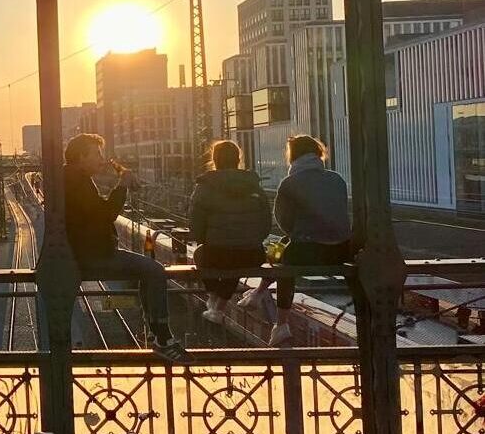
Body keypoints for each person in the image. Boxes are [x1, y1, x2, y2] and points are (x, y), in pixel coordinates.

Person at [63, 134, 188, 364]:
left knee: (147, 271)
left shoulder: (72, 178)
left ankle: (156, 332)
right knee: (154, 270)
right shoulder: (76, 181)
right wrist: (122, 186)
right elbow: (105, 214)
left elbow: (96, 212)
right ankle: (162, 337)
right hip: (94, 256)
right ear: (81, 156)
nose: (102, 159)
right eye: (96, 154)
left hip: (84, 253)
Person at [260, 135, 352, 346]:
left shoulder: (289, 183)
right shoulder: (337, 179)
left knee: (284, 262)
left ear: (293, 156)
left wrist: (300, 232)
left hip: (307, 251)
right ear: (318, 154)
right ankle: (370, 312)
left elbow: (283, 221)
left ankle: (281, 324)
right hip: (341, 251)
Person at [189, 140, 272, 325]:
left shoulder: (204, 187)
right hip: (253, 254)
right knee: (235, 260)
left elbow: (195, 229)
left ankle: (213, 299)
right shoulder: (254, 186)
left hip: (216, 254)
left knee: (200, 254)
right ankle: (218, 306)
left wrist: (211, 240)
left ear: (215, 160)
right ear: (238, 159)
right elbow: (266, 223)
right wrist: (249, 239)